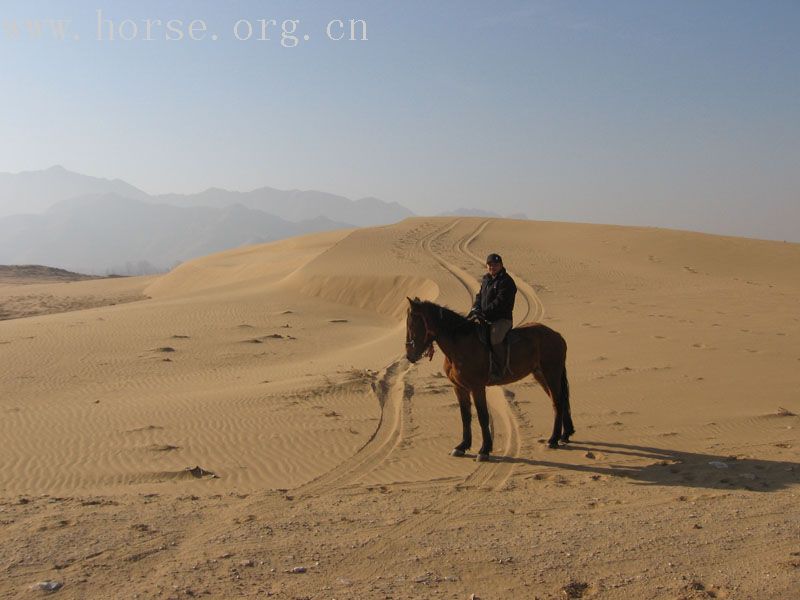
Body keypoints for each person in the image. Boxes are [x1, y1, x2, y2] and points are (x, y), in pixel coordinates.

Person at [468, 253, 517, 382]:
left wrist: (484, 312)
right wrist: (475, 308)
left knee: (494, 338)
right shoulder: (486, 279)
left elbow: (501, 302)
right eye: (489, 265)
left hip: (502, 319)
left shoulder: (507, 282)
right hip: (485, 317)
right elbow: (480, 296)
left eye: (495, 265)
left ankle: (500, 369)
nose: (492, 267)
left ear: (501, 265)